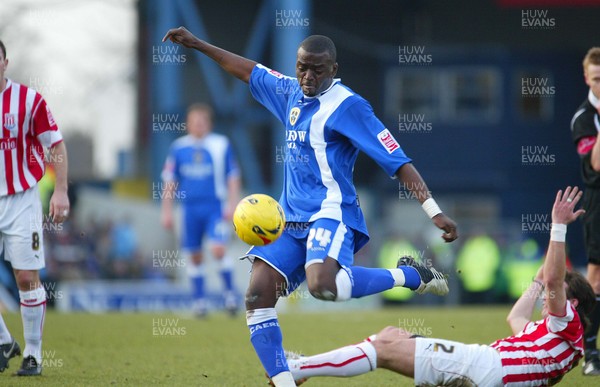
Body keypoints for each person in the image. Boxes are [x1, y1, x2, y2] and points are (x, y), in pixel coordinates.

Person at [162, 28, 458, 386]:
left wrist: (433, 210)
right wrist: (196, 44)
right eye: (302, 68)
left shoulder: (350, 106)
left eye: (317, 70)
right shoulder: (289, 91)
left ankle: (412, 276)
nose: (308, 77)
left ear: (333, 69)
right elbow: (246, 70)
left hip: (331, 213)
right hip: (289, 221)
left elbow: (396, 160)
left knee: (322, 286)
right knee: (257, 295)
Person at [283, 187, 596, 386]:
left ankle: (297, 368)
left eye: (555, 296)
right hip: (486, 369)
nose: (546, 300)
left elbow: (557, 281)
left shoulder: (567, 325)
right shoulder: (549, 337)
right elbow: (515, 318)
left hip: (486, 366)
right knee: (393, 334)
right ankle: (301, 368)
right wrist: (538, 281)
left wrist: (557, 227)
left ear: (574, 305)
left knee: (384, 347)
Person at [0, 39, 70, 376]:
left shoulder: (28, 100)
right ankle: (3, 341)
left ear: (5, 62)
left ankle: (33, 356)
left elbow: (55, 144)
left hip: (21, 199)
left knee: (26, 277)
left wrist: (60, 191)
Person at [161, 103, 241, 317]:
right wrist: (166, 211)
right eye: (194, 121)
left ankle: (230, 297)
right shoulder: (178, 148)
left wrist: (233, 204)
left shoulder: (220, 144)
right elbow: (170, 181)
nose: (198, 125)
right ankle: (199, 303)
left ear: (209, 123)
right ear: (188, 124)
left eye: (202, 121)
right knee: (194, 255)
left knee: (218, 249)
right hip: (189, 209)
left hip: (215, 206)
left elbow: (233, 176)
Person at [570, 46, 600, 376]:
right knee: (596, 277)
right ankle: (591, 352)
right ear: (586, 78)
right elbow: (597, 164)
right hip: (598, 202)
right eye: (597, 80)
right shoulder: (583, 118)